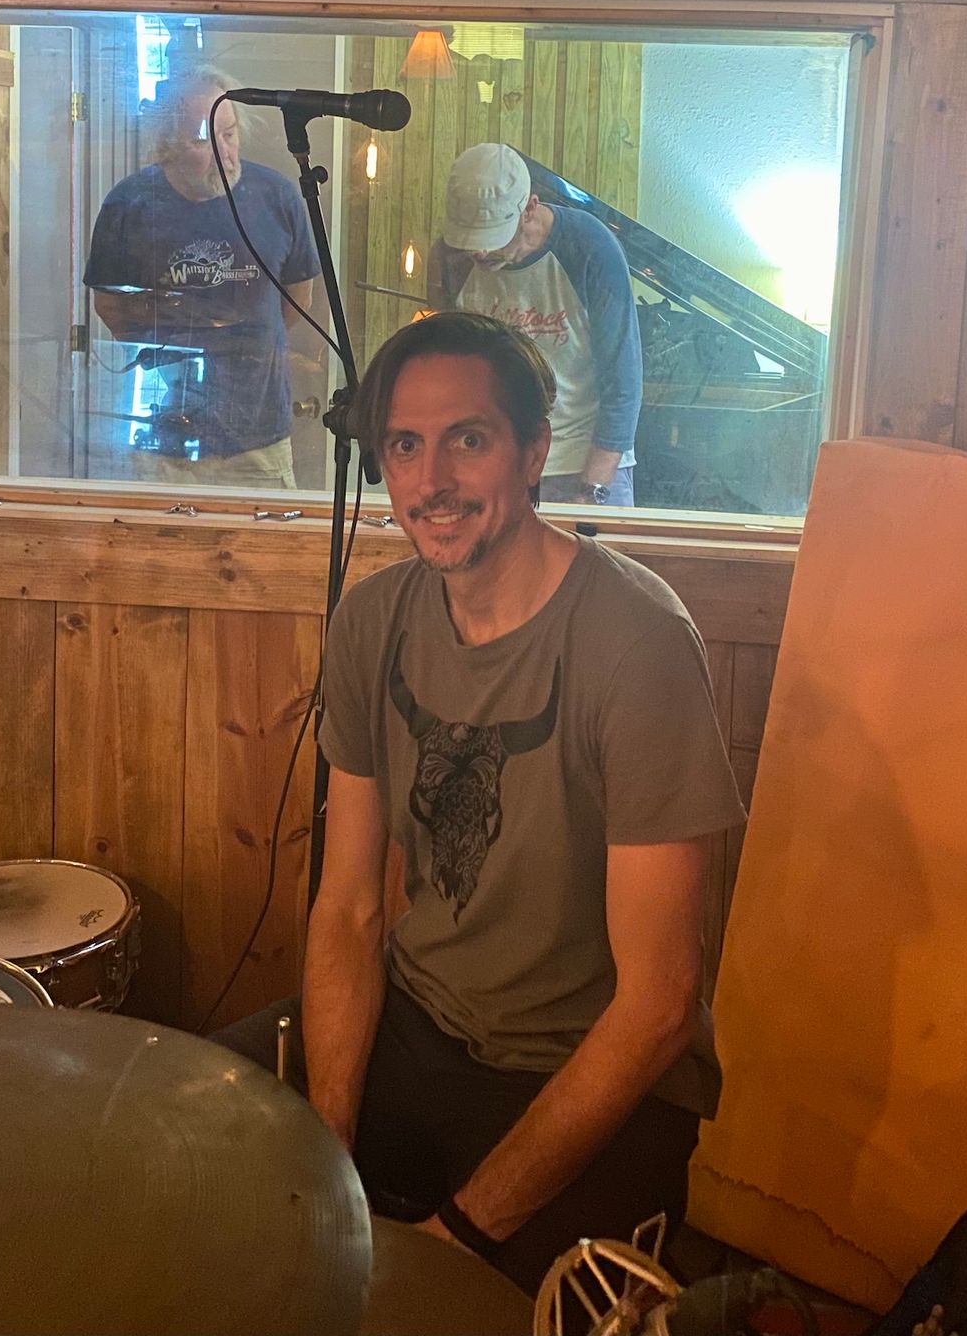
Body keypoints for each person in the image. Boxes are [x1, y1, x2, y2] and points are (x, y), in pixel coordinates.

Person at [214, 312, 745, 1297]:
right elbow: (350, 909)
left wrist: (454, 1237)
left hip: (591, 1070)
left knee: (453, 1310)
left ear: (534, 450)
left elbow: (660, 1004)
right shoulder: (372, 623)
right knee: (182, 1141)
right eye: (404, 446)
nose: (431, 481)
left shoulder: (636, 643)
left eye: (467, 438)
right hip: (421, 1020)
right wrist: (328, 1150)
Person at [83, 63, 319, 490]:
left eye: (229, 134)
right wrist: (168, 356)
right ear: (167, 146)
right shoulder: (129, 204)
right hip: (161, 439)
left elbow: (298, 298)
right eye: (201, 140)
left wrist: (246, 345)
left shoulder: (278, 197)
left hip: (258, 439)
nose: (224, 152)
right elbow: (111, 307)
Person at [431, 142, 642, 506]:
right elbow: (452, 376)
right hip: (495, 466)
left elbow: (623, 380)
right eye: (471, 239)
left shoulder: (589, 246)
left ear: (529, 208)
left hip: (584, 461)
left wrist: (591, 492)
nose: (480, 252)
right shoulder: (452, 258)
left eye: (492, 237)